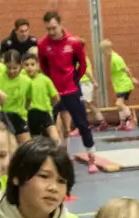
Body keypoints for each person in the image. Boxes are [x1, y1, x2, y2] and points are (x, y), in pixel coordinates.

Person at [36, 11, 99, 173]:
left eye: (54, 28)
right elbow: (43, 66)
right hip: (53, 93)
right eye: (48, 29)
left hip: (71, 89)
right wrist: (51, 83)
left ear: (60, 24)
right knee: (49, 125)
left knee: (82, 124)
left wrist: (74, 79)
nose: (51, 32)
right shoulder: (43, 45)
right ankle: (60, 157)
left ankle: (92, 158)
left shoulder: (74, 43)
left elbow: (83, 64)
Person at [21, 51, 58, 139]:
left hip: (44, 112)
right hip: (29, 115)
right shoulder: (21, 80)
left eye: (32, 64)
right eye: (26, 65)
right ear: (22, 66)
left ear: (38, 65)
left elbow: (55, 97)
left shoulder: (45, 79)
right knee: (33, 140)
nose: (29, 67)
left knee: (54, 138)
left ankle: (58, 151)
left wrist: (51, 108)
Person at [103, 40, 137, 127]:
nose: (103, 53)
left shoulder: (116, 58)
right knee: (119, 105)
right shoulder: (113, 58)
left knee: (119, 104)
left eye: (103, 51)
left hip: (124, 85)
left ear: (107, 49)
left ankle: (131, 119)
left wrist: (132, 78)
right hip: (119, 86)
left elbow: (126, 69)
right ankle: (122, 122)